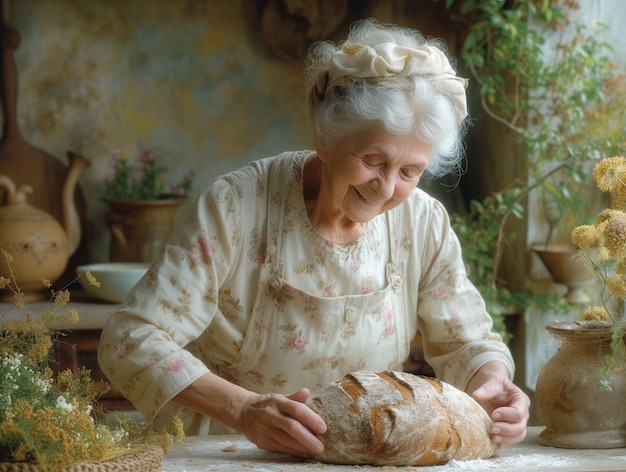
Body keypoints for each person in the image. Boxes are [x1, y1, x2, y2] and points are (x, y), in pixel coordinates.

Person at [98, 18, 530, 459]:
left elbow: (467, 342)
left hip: (367, 457)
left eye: (409, 171)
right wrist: (245, 410)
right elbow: (131, 339)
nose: (385, 188)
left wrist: (491, 380)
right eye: (373, 160)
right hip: (229, 450)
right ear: (326, 137)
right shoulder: (235, 206)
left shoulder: (423, 222)